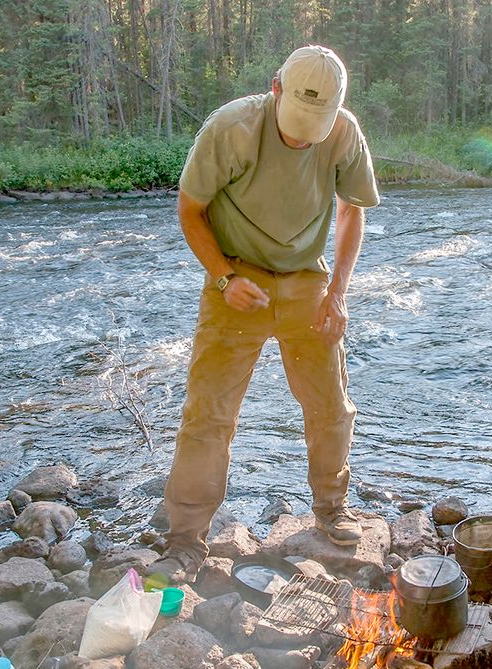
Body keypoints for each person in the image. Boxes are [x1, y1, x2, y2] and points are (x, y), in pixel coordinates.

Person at [150, 44, 380, 585]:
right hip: (237, 278)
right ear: (275, 88)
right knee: (209, 413)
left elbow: (351, 213)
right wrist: (225, 279)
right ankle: (185, 540)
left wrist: (338, 293)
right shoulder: (231, 128)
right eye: (297, 123)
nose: (303, 137)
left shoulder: (344, 134)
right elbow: (189, 208)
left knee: (330, 405)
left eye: (314, 126)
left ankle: (331, 509)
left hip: (307, 280)